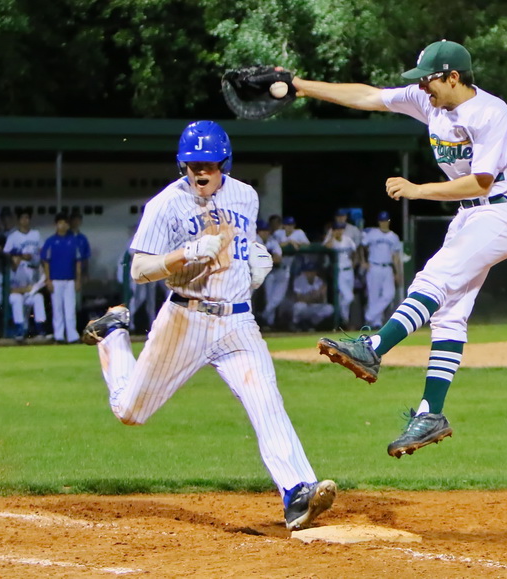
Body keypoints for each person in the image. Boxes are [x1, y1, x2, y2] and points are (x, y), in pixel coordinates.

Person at [80, 120, 336, 530]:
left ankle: (296, 492)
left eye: (209, 164)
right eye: (192, 164)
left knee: (266, 402)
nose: (201, 171)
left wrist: (255, 260)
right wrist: (183, 255)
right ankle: (113, 335)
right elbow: (140, 269)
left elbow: (243, 245)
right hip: (185, 318)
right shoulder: (166, 205)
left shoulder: (246, 197)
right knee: (130, 411)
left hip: (237, 322)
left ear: (225, 163)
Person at [298, 40, 507, 458]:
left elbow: (480, 182)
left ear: (453, 77)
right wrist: (302, 85)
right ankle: (431, 413)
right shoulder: (432, 104)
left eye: (429, 80)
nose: (423, 89)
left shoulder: (492, 114)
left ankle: (373, 349)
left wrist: (418, 190)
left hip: (501, 213)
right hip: (471, 216)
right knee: (448, 313)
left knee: (432, 279)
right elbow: (368, 96)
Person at [40, 213, 82, 344]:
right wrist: (48, 280)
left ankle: (72, 336)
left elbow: (78, 262)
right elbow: (46, 262)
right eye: (60, 223)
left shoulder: (73, 241)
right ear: (56, 225)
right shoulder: (50, 241)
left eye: (65, 223)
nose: (62, 225)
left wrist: (78, 279)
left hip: (70, 279)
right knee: (57, 310)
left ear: (68, 225)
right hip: (55, 280)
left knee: (70, 309)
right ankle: (59, 336)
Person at [360, 211, 404, 329]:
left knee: (389, 295)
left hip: (388, 268)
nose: (384, 223)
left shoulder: (394, 237)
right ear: (379, 222)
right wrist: (363, 261)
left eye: (385, 221)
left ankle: (369, 316)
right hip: (374, 266)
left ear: (389, 221)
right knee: (373, 296)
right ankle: (376, 322)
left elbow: (396, 257)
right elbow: (361, 246)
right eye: (382, 221)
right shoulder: (372, 233)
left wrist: (397, 272)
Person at [323, 221, 358, 328]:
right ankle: (342, 319)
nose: (340, 231)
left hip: (349, 271)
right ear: (333, 230)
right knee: (348, 297)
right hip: (339, 272)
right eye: (337, 229)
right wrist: (331, 236)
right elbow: (326, 247)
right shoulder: (331, 241)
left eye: (341, 229)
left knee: (344, 298)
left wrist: (354, 263)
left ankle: (344, 321)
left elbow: (355, 251)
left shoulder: (347, 240)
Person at [8, 252, 47, 342]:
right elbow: (7, 290)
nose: (16, 259)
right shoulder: (5, 269)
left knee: (38, 297)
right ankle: (19, 330)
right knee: (16, 297)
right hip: (8, 298)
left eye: (18, 256)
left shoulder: (23, 269)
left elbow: (30, 286)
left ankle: (40, 329)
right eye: (14, 256)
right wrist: (23, 290)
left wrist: (30, 289)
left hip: (23, 296)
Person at [256, 219, 285, 329]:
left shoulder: (272, 241)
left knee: (275, 299)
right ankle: (268, 322)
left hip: (274, 272)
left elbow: (278, 258)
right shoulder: (254, 240)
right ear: (258, 232)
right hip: (258, 273)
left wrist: (265, 258)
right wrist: (269, 257)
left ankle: (264, 318)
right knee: (267, 298)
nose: (265, 233)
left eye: (266, 230)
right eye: (262, 230)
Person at [290, 262, 334, 331]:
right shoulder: (299, 280)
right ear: (304, 272)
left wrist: (311, 297)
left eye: (312, 271)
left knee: (329, 308)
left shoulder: (319, 281)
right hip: (304, 307)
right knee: (298, 306)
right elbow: (298, 298)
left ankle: (311, 324)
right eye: (308, 271)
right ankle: (296, 324)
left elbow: (322, 300)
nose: (310, 273)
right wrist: (313, 297)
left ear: (315, 272)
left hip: (313, 307)